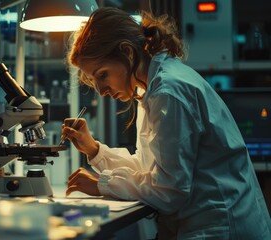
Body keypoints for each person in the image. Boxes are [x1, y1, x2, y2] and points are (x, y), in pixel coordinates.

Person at [61, 7, 271, 240]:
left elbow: (170, 191)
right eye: (93, 80)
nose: (101, 91)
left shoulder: (168, 91)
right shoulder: (152, 88)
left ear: (127, 52)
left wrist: (102, 184)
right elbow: (149, 170)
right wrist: (95, 150)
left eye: (103, 75)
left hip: (221, 227)